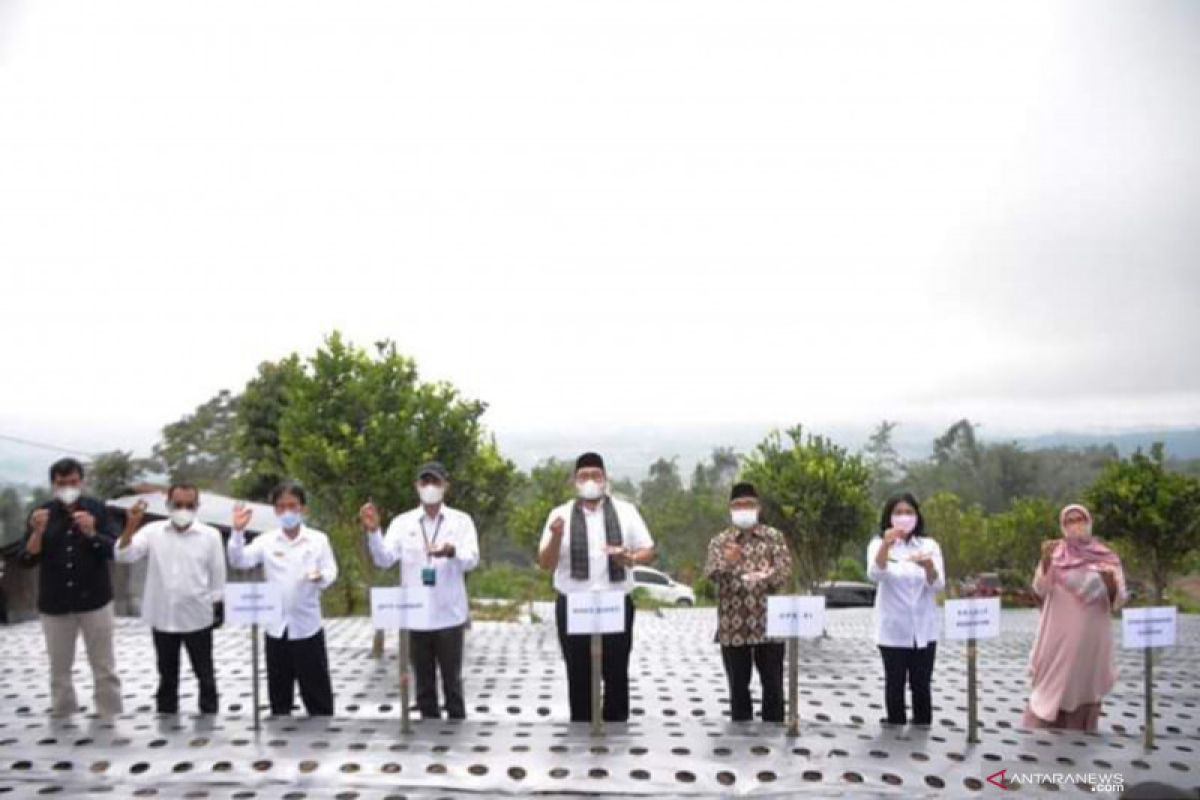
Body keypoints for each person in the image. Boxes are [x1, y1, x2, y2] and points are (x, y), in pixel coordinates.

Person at [537, 452, 655, 723]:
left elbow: (648, 550)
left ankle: (616, 729)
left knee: (616, 671)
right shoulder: (560, 515)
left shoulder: (626, 512)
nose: (590, 481)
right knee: (578, 672)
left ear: (605, 479)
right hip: (574, 603)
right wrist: (556, 537)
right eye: (584, 476)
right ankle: (581, 727)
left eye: (595, 476)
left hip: (614, 602)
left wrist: (630, 558)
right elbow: (545, 563)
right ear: (574, 482)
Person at [360, 461, 480, 719]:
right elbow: (384, 558)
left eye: (435, 482)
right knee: (423, 685)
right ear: (416, 487)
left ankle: (457, 737)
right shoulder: (403, 522)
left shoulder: (461, 521)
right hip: (415, 615)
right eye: (424, 482)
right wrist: (373, 532)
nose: (430, 487)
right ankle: (429, 740)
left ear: (445, 485)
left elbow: (472, 559)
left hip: (449, 613)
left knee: (453, 682)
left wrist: (451, 551)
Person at [18, 458, 123, 716]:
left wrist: (91, 532)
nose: (67, 487)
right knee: (59, 669)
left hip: (95, 601)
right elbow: (26, 560)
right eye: (61, 483)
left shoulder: (98, 510)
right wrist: (38, 532)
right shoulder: (41, 513)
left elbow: (115, 550)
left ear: (82, 482)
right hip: (55, 604)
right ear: (53, 485)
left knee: (104, 667)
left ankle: (110, 717)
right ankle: (63, 719)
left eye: (73, 482)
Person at [227, 481, 338, 716]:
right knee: (279, 694)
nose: (288, 512)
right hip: (276, 627)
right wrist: (237, 532)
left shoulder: (318, 539)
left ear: (303, 509)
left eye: (293, 506)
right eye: (281, 506)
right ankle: (280, 743)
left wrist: (319, 577)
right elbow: (239, 560)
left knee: (317, 692)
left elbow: (331, 571)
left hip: (307, 625)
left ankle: (321, 738)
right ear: (275, 510)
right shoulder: (267, 541)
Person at [115, 484, 226, 714]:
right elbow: (123, 555)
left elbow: (218, 574)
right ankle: (166, 720)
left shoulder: (210, 535)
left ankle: (210, 719)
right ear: (168, 505)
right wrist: (131, 526)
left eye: (189, 505)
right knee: (167, 674)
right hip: (162, 615)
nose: (183, 509)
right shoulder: (152, 532)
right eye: (178, 505)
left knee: (205, 674)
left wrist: (218, 605)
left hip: (198, 616)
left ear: (197, 506)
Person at [1023, 503, 1126, 731]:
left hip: (1092, 633)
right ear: (1062, 526)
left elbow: (1118, 599)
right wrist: (1047, 560)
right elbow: (1040, 588)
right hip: (1058, 632)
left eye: (1080, 519)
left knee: (1083, 678)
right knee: (1054, 676)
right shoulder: (1055, 552)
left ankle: (1081, 728)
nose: (1075, 525)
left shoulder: (1106, 556)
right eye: (1070, 521)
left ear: (1089, 522)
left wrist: (1109, 583)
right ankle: (1044, 724)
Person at [703, 481, 792, 723]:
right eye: (738, 505)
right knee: (738, 685)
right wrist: (729, 562)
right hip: (733, 625)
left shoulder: (773, 537)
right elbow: (711, 574)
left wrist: (765, 576)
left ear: (758, 507)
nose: (744, 509)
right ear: (730, 508)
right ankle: (740, 736)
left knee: (773, 683)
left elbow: (784, 572)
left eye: (749, 504)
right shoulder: (720, 542)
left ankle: (773, 731)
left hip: (769, 623)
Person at [866, 492, 945, 727]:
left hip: (923, 628)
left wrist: (929, 566)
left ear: (917, 516)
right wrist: (886, 546)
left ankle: (923, 728)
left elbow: (939, 584)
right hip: (893, 628)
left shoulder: (929, 545)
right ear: (889, 517)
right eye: (898, 513)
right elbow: (874, 574)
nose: (904, 517)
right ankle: (895, 725)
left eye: (908, 512)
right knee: (895, 682)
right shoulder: (878, 543)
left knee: (921, 684)